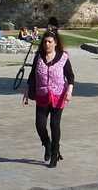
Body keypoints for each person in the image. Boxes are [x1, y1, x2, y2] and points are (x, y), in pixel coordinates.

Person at [23, 31, 74, 168]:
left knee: (54, 125)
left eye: (50, 42)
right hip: (42, 96)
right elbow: (32, 75)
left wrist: (69, 91)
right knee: (40, 125)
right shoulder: (38, 57)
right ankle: (47, 144)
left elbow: (70, 77)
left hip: (59, 96)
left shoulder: (63, 57)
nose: (47, 44)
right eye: (45, 42)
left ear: (55, 43)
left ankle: (55, 154)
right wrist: (27, 90)